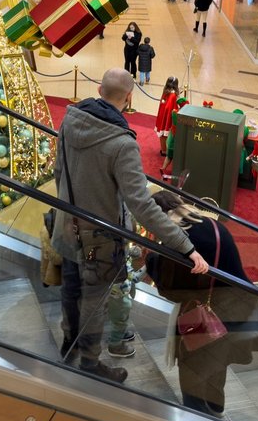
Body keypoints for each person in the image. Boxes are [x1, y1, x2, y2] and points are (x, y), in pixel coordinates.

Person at [53, 69, 209, 383]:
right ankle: (89, 362)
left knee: (70, 287)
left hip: (65, 226)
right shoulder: (122, 144)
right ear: (129, 98)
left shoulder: (70, 121)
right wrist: (185, 246)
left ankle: (69, 340)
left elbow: (59, 170)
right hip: (98, 241)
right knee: (94, 300)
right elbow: (141, 205)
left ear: (98, 89)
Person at [149, 191, 258, 417]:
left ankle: (196, 419)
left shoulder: (180, 240)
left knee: (193, 365)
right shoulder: (209, 223)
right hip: (239, 306)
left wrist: (150, 259)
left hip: (212, 311)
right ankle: (215, 409)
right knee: (217, 362)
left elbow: (172, 289)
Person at [155, 76, 179, 156]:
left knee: (162, 133)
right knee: (167, 134)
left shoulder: (165, 92)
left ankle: (163, 150)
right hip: (168, 117)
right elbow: (171, 107)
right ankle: (166, 150)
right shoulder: (173, 95)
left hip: (162, 115)